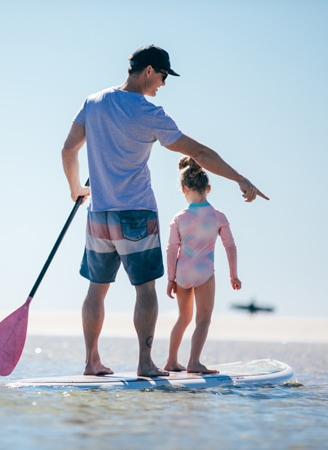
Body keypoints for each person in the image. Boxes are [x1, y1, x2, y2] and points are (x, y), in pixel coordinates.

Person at [60, 44, 268, 377]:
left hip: (98, 214)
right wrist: (240, 177)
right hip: (136, 215)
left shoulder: (93, 102)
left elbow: (68, 149)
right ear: (148, 71)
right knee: (145, 290)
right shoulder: (149, 113)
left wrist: (75, 189)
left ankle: (91, 362)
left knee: (96, 290)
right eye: (163, 76)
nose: (163, 84)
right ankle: (145, 363)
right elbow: (198, 151)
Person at [164, 157, 241, 374]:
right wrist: (233, 274)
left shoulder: (179, 218)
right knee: (203, 319)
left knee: (183, 318)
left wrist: (170, 278)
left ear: (183, 189)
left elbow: (171, 249)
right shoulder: (218, 216)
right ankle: (194, 362)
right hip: (205, 272)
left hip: (182, 273)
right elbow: (230, 246)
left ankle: (171, 361)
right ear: (208, 188)